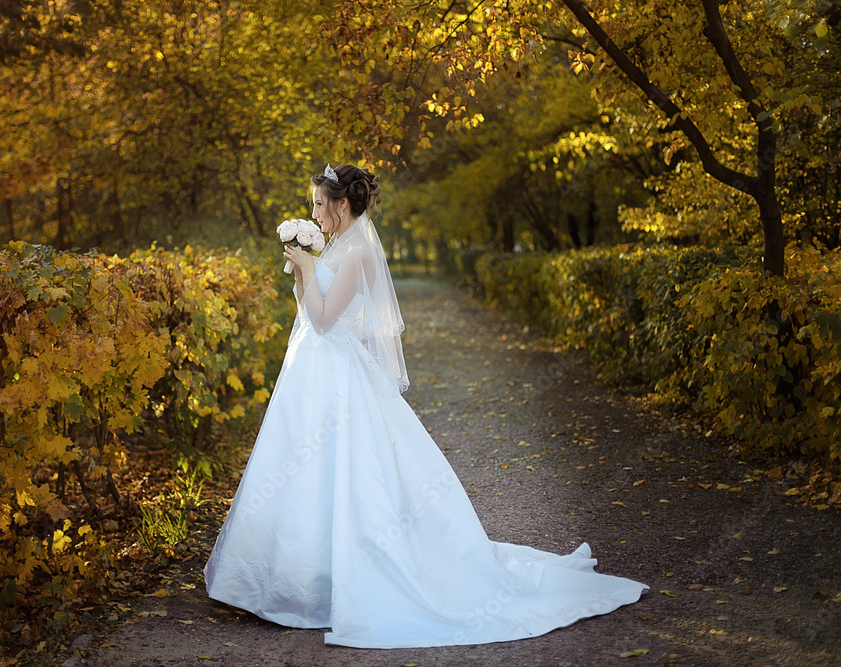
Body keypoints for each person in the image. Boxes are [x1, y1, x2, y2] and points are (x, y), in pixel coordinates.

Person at [203, 163, 647, 649]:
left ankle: (330, 584)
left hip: (337, 374)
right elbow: (308, 312)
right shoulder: (334, 246)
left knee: (349, 474)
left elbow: (328, 321)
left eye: (317, 204)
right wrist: (302, 270)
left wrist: (309, 270)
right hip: (312, 370)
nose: (312, 212)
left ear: (341, 204)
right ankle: (293, 577)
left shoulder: (355, 255)